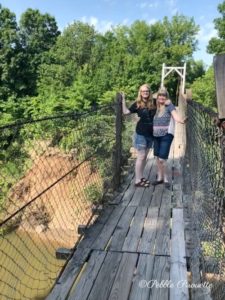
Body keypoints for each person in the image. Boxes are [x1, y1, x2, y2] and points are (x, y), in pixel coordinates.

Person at [121, 84, 156, 187]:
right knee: (141, 156)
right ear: (140, 92)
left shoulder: (153, 102)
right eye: (143, 91)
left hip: (151, 134)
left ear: (149, 92)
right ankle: (137, 180)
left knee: (145, 157)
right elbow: (126, 112)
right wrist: (123, 100)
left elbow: (164, 104)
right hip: (141, 133)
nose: (145, 92)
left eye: (147, 91)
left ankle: (140, 177)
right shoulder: (137, 103)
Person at [152, 87, 187, 188]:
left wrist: (182, 120)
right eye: (160, 95)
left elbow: (176, 116)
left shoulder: (169, 106)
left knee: (162, 159)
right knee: (158, 158)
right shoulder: (156, 107)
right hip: (156, 135)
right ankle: (159, 178)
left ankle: (165, 178)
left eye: (164, 96)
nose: (162, 97)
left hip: (166, 135)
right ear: (157, 97)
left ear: (166, 97)